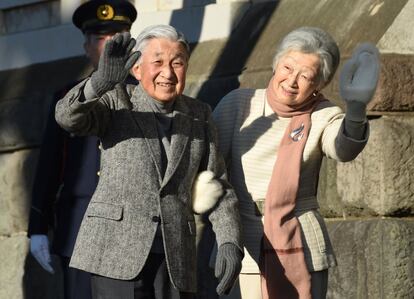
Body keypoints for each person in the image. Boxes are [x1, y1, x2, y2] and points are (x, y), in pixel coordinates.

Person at [54, 24, 244, 299]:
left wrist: (229, 239)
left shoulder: (199, 114)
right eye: (157, 63)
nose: (167, 73)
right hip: (116, 254)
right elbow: (67, 117)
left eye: (177, 63)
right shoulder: (117, 101)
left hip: (175, 256)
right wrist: (99, 83)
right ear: (137, 69)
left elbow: (218, 185)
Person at [212, 27, 379, 299]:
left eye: (305, 76)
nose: (292, 80)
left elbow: (343, 149)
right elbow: (207, 164)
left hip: (301, 245)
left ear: (319, 85)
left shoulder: (324, 114)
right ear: (277, 63)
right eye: (288, 67)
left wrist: (357, 110)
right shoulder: (237, 104)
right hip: (242, 241)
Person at [27, 1, 137, 299]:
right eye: (100, 40)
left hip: (132, 230)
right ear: (86, 46)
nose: (108, 47)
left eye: (115, 39)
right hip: (79, 227)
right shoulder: (67, 98)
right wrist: (37, 225)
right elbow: (49, 164)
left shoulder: (144, 95)